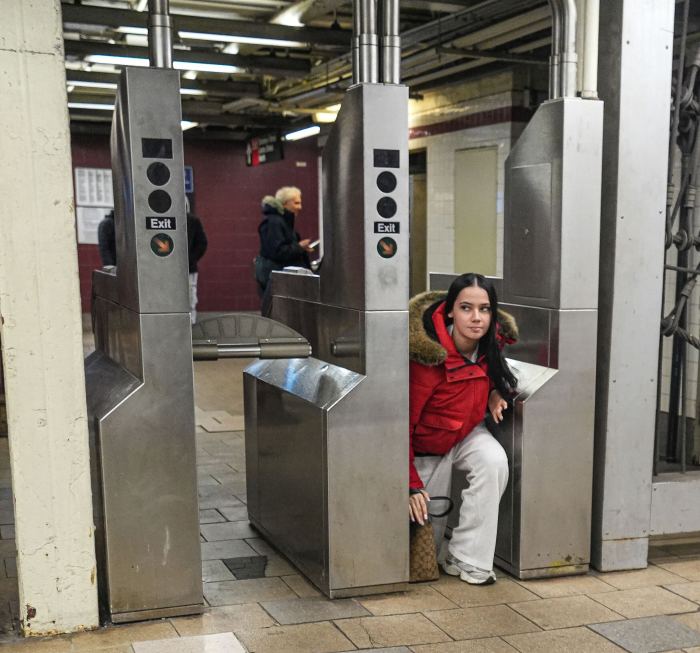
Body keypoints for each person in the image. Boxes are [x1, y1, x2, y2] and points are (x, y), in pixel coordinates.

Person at [408, 273, 518, 585]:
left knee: (493, 462)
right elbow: (401, 425)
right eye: (466, 308)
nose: (476, 318)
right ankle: (443, 547)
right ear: (450, 311)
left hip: (466, 432)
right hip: (426, 445)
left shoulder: (491, 344)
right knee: (424, 531)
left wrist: (497, 391)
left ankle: (466, 557)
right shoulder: (427, 356)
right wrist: (410, 484)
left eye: (484, 309)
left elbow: (493, 372)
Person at [255, 186, 314, 315]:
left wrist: (299, 248)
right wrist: (299, 247)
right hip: (278, 280)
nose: (300, 207)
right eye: (296, 203)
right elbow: (277, 252)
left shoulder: (281, 222)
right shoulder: (274, 222)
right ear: (285, 203)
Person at [186, 203, 208, 325]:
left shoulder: (193, 221)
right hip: (170, 269)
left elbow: (202, 243)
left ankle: (191, 323)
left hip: (189, 268)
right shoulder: (167, 222)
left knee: (190, 296)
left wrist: (191, 258)